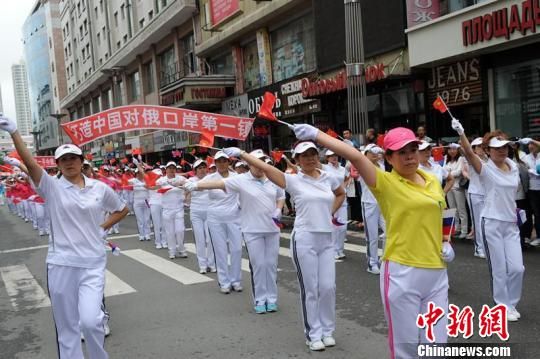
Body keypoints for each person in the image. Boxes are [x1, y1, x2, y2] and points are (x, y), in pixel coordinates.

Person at [290, 123, 454, 358]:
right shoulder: (385, 183)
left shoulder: (430, 179)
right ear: (388, 157)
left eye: (413, 150)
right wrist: (317, 135)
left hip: (437, 273)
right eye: (401, 153)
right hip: (402, 272)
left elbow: (441, 214)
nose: (409, 157)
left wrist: (446, 241)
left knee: (436, 346)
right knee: (406, 348)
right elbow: (354, 155)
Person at [0, 115, 128, 359]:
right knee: (67, 329)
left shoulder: (99, 188)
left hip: (92, 263)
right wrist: (15, 132)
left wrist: (102, 228)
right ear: (57, 164)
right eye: (63, 160)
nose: (69, 163)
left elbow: (121, 209)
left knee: (91, 322)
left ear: (82, 161)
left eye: (73, 158)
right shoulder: (51, 186)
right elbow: (31, 164)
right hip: (61, 265)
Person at [220, 141, 345, 351]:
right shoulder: (293, 180)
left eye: (313, 154)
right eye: (304, 156)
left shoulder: (328, 177)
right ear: (296, 160)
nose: (310, 158)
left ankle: (327, 330)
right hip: (305, 238)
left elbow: (340, 193)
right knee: (311, 288)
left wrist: (329, 212)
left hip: (326, 239)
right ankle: (313, 333)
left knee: (328, 287)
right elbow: (267, 169)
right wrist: (242, 153)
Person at [185, 150, 285, 314]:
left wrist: (279, 209)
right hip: (242, 226)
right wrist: (196, 185)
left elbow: (280, 195)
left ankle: (270, 298)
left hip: (265, 227)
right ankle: (254, 296)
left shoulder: (272, 178)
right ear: (249, 164)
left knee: (270, 265)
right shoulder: (241, 179)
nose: (260, 166)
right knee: (255, 264)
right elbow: (218, 184)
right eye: (256, 162)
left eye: (263, 162)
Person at [452, 119, 524, 321]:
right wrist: (461, 132)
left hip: (510, 224)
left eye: (505, 147)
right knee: (499, 268)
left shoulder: (513, 167)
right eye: (497, 148)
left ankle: (511, 303)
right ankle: (502, 306)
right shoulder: (484, 168)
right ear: (488, 151)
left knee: (518, 268)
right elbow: (468, 151)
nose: (502, 151)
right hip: (491, 222)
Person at [203, 151, 243, 294]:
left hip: (234, 217)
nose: (221, 163)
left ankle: (236, 280)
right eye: (218, 161)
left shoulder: (237, 177)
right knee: (220, 251)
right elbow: (195, 184)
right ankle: (224, 282)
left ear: (229, 162)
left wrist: (239, 205)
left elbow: (243, 193)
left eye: (224, 161)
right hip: (215, 218)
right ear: (215, 163)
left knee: (237, 249)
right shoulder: (210, 178)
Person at [358, 144, 387, 274]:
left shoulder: (382, 166)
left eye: (376, 151)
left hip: (382, 203)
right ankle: (372, 263)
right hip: (369, 203)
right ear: (366, 154)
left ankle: (384, 258)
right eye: (371, 152)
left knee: (389, 232)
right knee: (372, 236)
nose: (375, 154)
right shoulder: (363, 166)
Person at [185, 159, 216, 273]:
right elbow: (186, 192)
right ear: (195, 170)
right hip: (196, 213)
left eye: (204, 167)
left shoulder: (212, 178)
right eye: (200, 168)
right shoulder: (190, 180)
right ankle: (202, 265)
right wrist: (186, 197)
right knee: (200, 240)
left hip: (210, 212)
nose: (202, 170)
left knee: (210, 240)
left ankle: (212, 264)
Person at [156, 161, 188, 259]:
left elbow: (189, 187)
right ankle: (172, 251)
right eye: (169, 168)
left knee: (180, 230)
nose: (171, 170)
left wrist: (182, 188)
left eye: (173, 168)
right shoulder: (161, 180)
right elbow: (154, 186)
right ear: (166, 169)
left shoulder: (181, 179)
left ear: (175, 169)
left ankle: (181, 249)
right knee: (170, 232)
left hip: (179, 209)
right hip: (167, 209)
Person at [461, 138, 487, 258]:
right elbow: (466, 153)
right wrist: (461, 146)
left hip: (487, 194)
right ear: (474, 149)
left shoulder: (489, 159)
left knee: (486, 222)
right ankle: (478, 248)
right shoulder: (472, 159)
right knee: (478, 221)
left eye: (482, 146)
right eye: (478, 146)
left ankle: (486, 247)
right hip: (475, 194)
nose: (481, 148)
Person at [322, 149, 348, 259]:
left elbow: (347, 178)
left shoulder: (343, 169)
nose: (334, 157)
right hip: (331, 201)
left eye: (335, 155)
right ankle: (332, 250)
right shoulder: (325, 168)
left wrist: (343, 187)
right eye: (331, 156)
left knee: (342, 227)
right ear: (327, 158)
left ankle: (340, 249)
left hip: (342, 200)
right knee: (333, 227)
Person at [444, 144, 468, 239]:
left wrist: (448, 173)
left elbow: (459, 172)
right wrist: (449, 174)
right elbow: (443, 171)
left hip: (458, 187)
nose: (452, 151)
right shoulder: (446, 159)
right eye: (450, 149)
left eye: (454, 149)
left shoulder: (461, 159)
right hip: (448, 187)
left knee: (461, 209)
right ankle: (456, 228)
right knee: (453, 209)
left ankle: (464, 230)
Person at [521, 137, 540, 246]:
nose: (531, 146)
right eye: (529, 144)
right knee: (535, 213)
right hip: (532, 189)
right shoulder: (526, 158)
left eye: (533, 144)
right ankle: (536, 236)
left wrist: (532, 140)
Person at [129, 166, 152, 241]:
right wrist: (140, 185)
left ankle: (147, 234)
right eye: (137, 173)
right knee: (140, 220)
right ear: (136, 174)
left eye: (140, 173)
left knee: (147, 219)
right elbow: (126, 182)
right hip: (137, 202)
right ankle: (141, 235)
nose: (139, 174)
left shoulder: (147, 180)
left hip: (146, 201)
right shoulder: (133, 180)